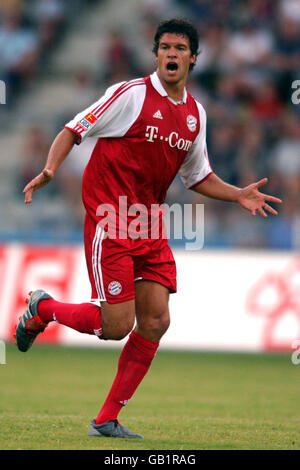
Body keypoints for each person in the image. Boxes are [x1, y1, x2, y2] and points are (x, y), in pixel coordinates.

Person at [15, 18, 282, 439]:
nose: (171, 54)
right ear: (155, 53)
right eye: (164, 47)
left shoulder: (195, 115)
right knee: (115, 326)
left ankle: (106, 420)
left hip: (151, 225)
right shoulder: (130, 95)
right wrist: (50, 168)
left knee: (156, 320)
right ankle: (42, 309)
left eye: (179, 48)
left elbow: (198, 176)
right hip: (110, 221)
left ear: (194, 58)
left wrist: (238, 194)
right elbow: (74, 128)